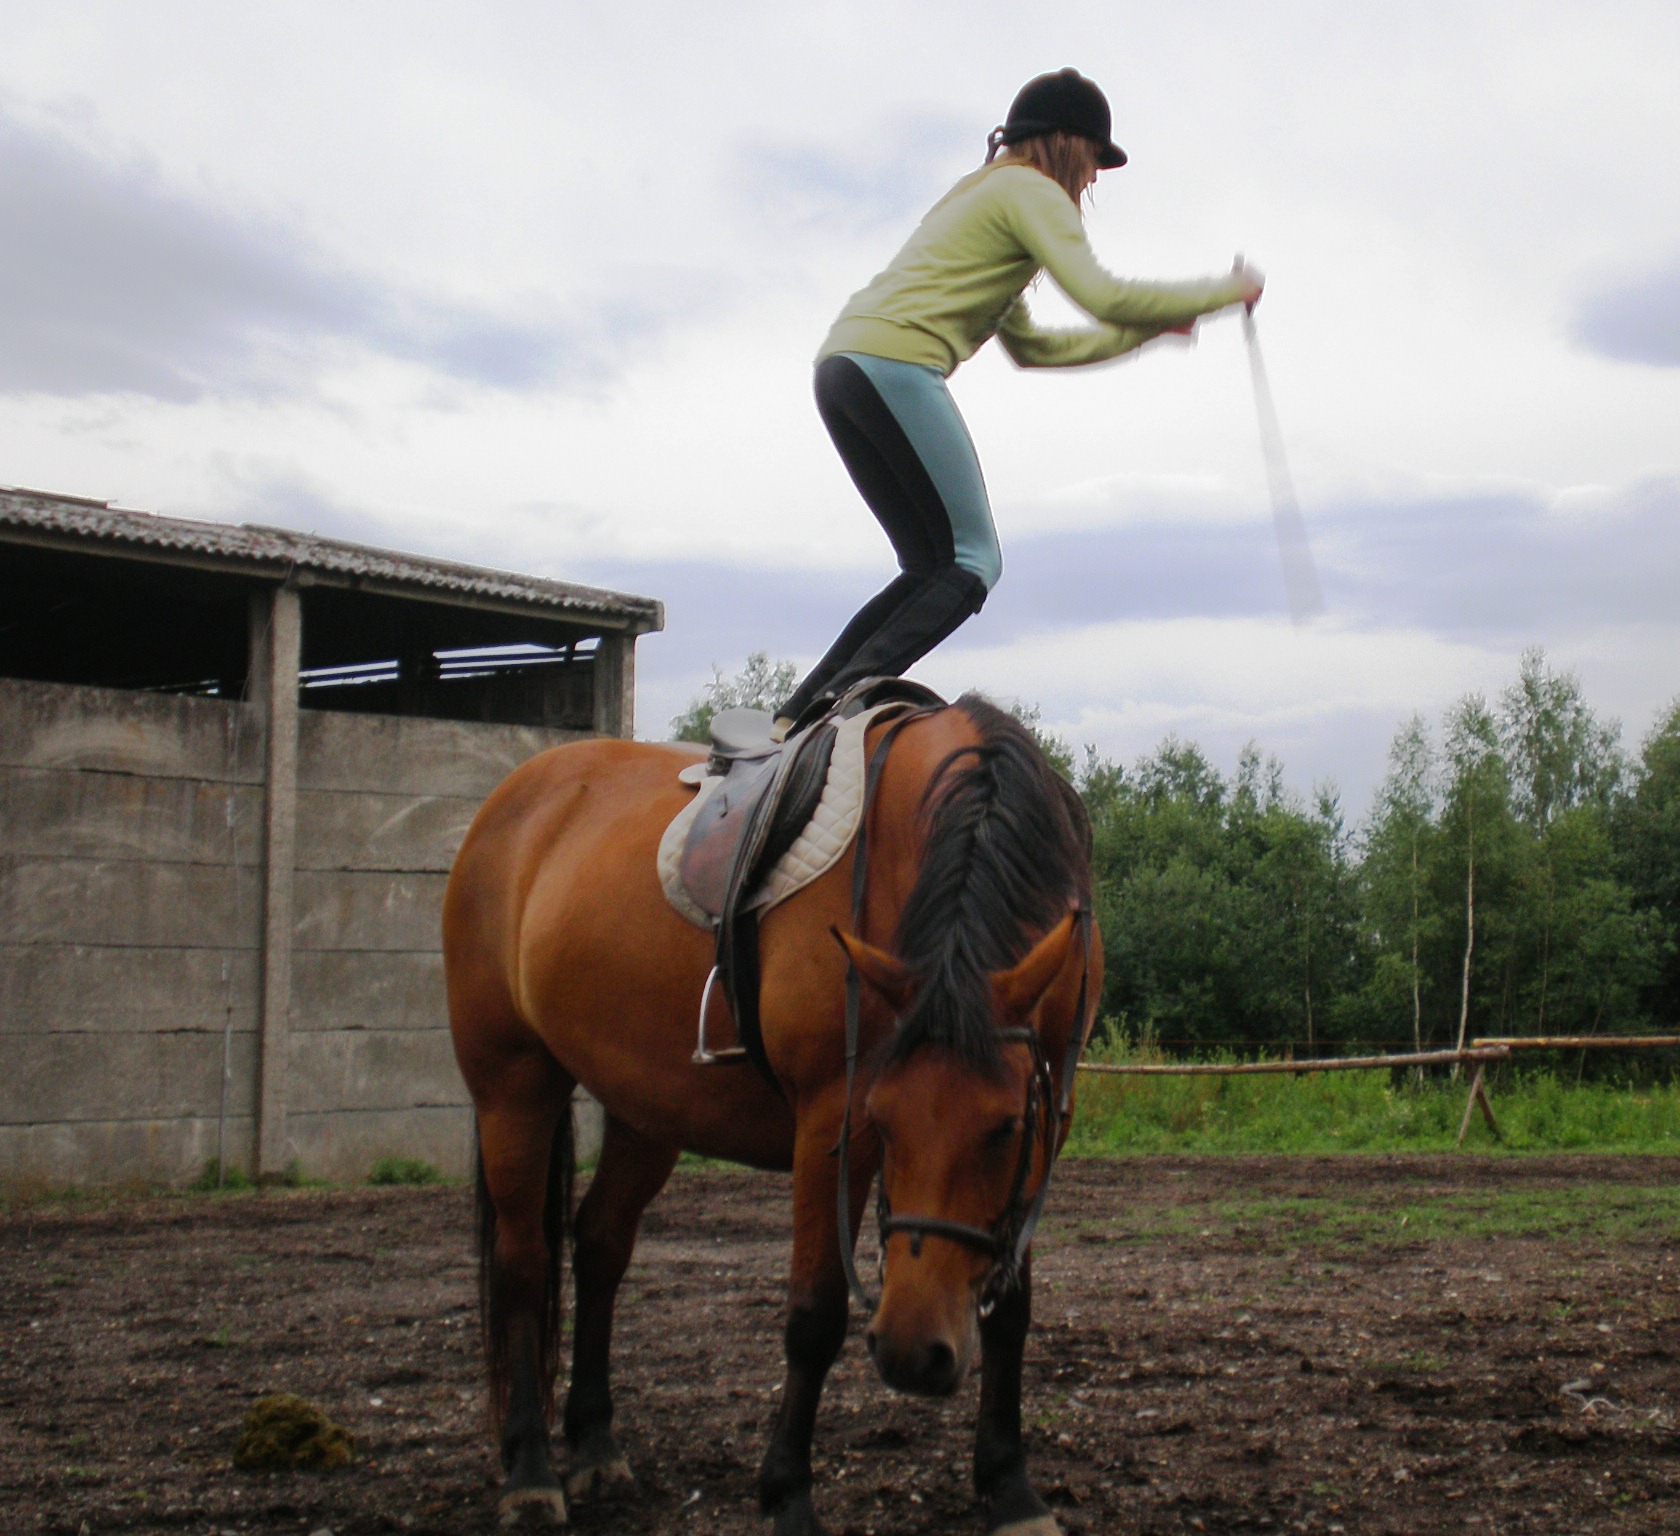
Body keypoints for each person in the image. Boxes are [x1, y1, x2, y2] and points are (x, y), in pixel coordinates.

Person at [772, 67, 1263, 737]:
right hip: (894, 366)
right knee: (974, 560)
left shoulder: (980, 197)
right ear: (1066, 143)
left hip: (843, 368)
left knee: (928, 566)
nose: (1092, 178)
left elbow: (1035, 349)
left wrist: (1151, 332)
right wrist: (1224, 289)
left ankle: (796, 715)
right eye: (1094, 158)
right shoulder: (1033, 192)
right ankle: (834, 713)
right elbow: (1105, 295)